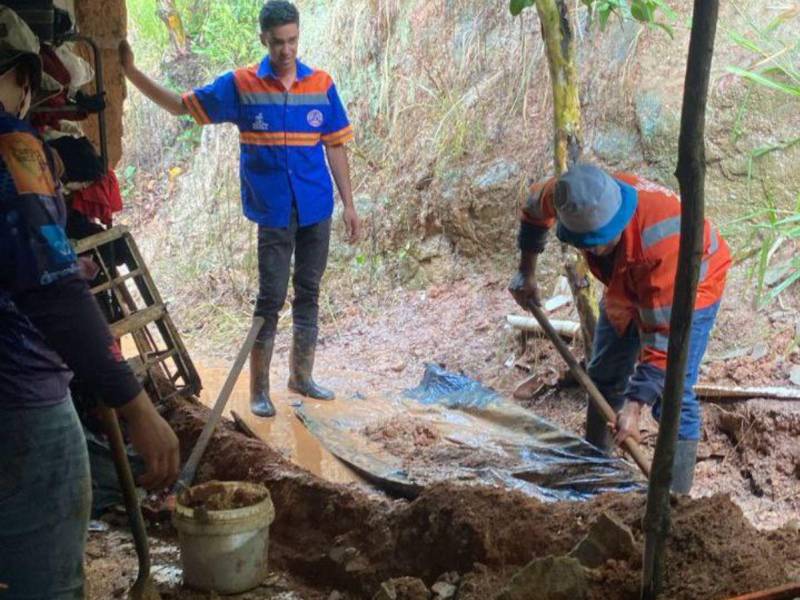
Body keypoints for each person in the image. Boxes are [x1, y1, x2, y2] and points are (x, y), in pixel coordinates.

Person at [0, 7, 179, 598]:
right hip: (19, 401)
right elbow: (50, 289)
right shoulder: (13, 149)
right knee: (45, 582)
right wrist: (136, 405)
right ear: (23, 78)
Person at [119, 0, 360, 418]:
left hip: (316, 208)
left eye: (293, 41)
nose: (287, 50)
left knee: (309, 292)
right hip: (273, 212)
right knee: (269, 299)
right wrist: (131, 72)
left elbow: (335, 146)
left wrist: (350, 205)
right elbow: (181, 106)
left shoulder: (321, 84)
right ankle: (258, 390)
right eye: (278, 42)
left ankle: (301, 377)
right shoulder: (241, 85)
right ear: (263, 39)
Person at [509, 163, 731, 493]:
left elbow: (662, 344)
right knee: (604, 373)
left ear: (620, 218)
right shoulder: (570, 193)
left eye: (601, 241)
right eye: (586, 243)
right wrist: (526, 272)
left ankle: (674, 501)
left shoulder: (662, 243)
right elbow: (532, 208)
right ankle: (596, 471)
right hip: (625, 280)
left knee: (673, 393)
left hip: (692, 285)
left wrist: (633, 407)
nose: (594, 251)